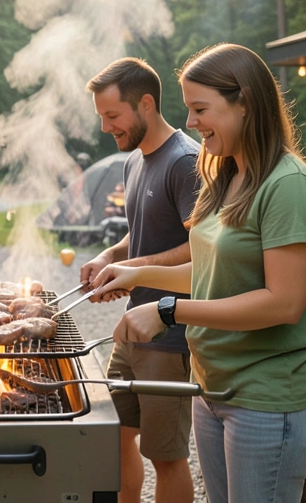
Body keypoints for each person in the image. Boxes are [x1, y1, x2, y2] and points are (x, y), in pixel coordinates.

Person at [92, 43, 306, 503]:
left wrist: (167, 311)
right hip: (213, 387)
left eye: (201, 109)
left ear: (246, 102)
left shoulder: (289, 186)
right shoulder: (225, 173)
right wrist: (132, 274)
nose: (191, 123)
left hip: (266, 397)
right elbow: (210, 274)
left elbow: (283, 302)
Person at [78, 57, 200, 503]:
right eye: (102, 117)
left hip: (170, 331)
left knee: (165, 456)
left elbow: (201, 248)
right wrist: (109, 256)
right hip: (132, 328)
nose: (107, 126)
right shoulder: (134, 161)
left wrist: (135, 268)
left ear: (145, 103)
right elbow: (141, 230)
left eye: (113, 115)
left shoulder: (185, 161)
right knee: (115, 434)